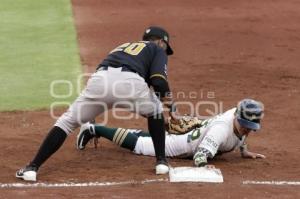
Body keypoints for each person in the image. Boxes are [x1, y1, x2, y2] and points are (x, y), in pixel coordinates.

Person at [16, 26, 178, 181]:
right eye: (165, 48)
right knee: (155, 111)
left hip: (99, 81)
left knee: (66, 122)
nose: (165, 52)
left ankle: (32, 168)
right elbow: (158, 82)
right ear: (160, 42)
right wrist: (171, 108)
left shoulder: (124, 47)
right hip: (129, 82)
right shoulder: (156, 49)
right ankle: (161, 162)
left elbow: (124, 86)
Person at [76, 99, 266, 166]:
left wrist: (244, 151)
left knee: (152, 137)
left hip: (197, 130)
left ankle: (96, 128)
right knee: (141, 146)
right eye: (245, 125)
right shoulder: (220, 131)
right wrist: (204, 166)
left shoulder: (237, 115)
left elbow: (241, 133)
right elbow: (200, 156)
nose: (248, 130)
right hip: (182, 146)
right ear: (238, 118)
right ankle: (93, 129)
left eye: (251, 126)